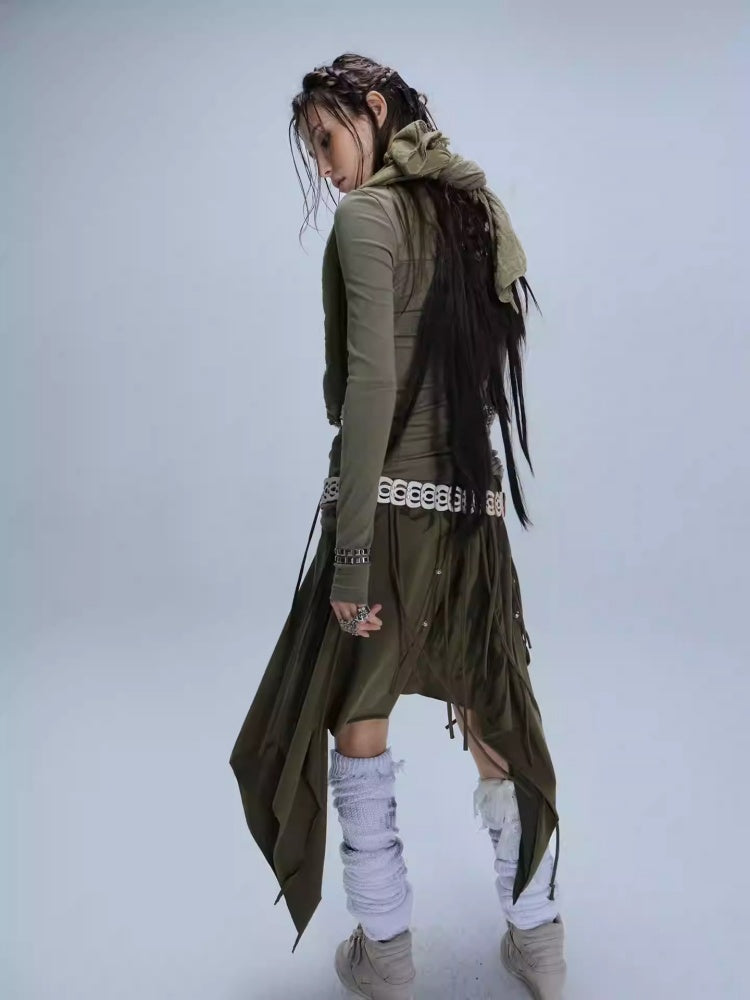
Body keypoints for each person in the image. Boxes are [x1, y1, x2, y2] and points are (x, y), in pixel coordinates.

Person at [229, 52, 566, 1000]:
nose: (325, 164)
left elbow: (368, 387)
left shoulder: (366, 218)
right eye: (313, 149)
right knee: (491, 710)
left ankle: (386, 951)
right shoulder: (472, 210)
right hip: (473, 511)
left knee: (357, 713)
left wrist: (350, 557)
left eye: (327, 139)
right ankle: (540, 942)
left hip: (384, 510)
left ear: (373, 110)